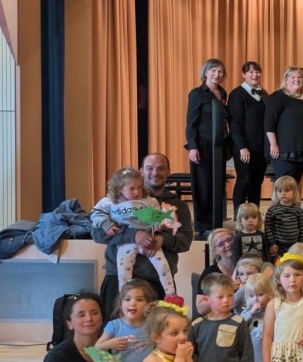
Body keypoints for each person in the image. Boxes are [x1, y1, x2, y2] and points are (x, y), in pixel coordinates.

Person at [93, 154, 194, 314]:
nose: (155, 172)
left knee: (158, 329)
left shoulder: (177, 205)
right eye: (150, 168)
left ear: (168, 171)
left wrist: (161, 239)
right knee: (117, 327)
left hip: (157, 282)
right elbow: (97, 233)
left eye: (161, 168)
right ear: (141, 171)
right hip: (117, 279)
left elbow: (185, 240)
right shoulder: (115, 202)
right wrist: (133, 235)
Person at [185, 58, 231, 236]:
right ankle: (203, 226)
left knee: (217, 185)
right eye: (213, 71)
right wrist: (192, 147)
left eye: (220, 71)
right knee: (203, 186)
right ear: (205, 73)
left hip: (219, 146)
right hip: (202, 146)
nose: (216, 74)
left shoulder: (223, 92)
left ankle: (216, 222)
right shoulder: (197, 93)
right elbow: (191, 123)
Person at [227, 60, 269, 209]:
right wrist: (242, 147)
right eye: (251, 72)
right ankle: (238, 216)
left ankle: (254, 213)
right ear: (243, 74)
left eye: (257, 71)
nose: (255, 74)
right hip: (244, 148)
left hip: (261, 148)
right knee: (244, 180)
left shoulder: (264, 94)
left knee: (257, 182)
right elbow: (235, 124)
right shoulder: (237, 94)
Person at [265, 67, 303, 185]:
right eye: (293, 77)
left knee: (294, 185)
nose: (296, 80)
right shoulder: (278, 96)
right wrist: (273, 144)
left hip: (301, 150)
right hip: (283, 150)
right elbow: (269, 122)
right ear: (286, 80)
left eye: (300, 77)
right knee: (284, 185)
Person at [264, 176, 303, 259]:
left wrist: (302, 244)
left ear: (294, 192)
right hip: (278, 245)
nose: (283, 193)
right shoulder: (272, 210)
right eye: (280, 191)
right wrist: (271, 243)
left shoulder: (298, 210)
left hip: (294, 245)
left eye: (287, 191)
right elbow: (268, 228)